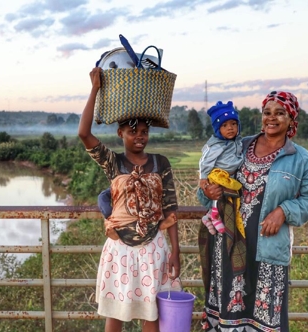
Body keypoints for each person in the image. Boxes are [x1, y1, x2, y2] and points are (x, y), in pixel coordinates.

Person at [198, 90, 308, 331]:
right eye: (267, 112)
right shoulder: (239, 145)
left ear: (291, 119)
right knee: (229, 315)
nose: (271, 118)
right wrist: (208, 191)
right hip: (230, 246)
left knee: (266, 320)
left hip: (267, 249)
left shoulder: (299, 158)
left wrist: (284, 211)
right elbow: (208, 183)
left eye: (280, 113)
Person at [78, 66, 181, 332]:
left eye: (144, 132)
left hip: (154, 249)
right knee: (116, 312)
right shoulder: (114, 163)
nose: (140, 137)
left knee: (152, 313)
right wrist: (95, 89)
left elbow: (170, 209)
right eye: (133, 132)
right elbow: (84, 134)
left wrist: (175, 252)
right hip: (120, 249)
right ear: (120, 134)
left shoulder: (161, 163)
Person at [199, 101, 243, 235]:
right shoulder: (217, 145)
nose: (230, 128)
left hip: (229, 176)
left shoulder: (238, 142)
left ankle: (208, 217)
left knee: (225, 198)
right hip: (218, 175)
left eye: (233, 124)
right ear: (218, 129)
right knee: (216, 194)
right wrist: (203, 178)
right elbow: (204, 161)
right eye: (224, 125)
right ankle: (213, 216)